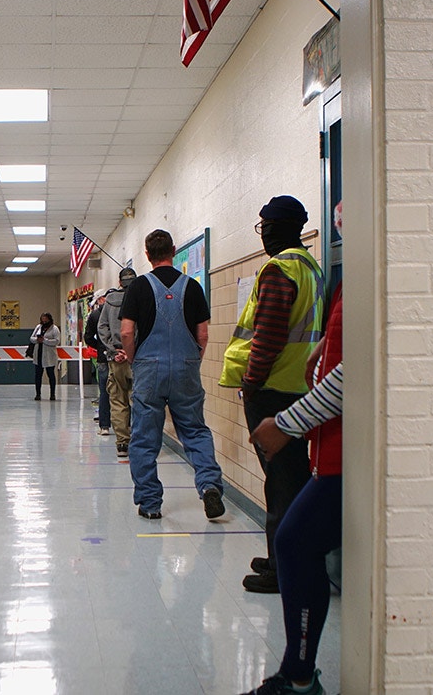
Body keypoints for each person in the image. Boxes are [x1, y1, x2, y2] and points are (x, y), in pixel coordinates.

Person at [243, 282, 344, 695]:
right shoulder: (346, 281)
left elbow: (360, 368)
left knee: (296, 540)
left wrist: (285, 423)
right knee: (296, 541)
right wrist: (324, 344)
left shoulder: (381, 257)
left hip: (346, 455)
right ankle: (298, 674)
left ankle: (299, 677)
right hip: (330, 449)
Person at [220, 195, 325, 594]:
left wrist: (252, 380)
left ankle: (284, 569)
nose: (263, 233)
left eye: (265, 225)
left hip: (273, 388)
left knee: (283, 481)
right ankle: (281, 554)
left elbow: (268, 335)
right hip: (297, 385)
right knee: (286, 478)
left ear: (280, 226)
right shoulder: (310, 267)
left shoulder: (280, 269)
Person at [117, 229, 225, 520]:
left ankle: (150, 503)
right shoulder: (192, 286)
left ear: (147, 254)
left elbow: (127, 331)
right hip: (185, 367)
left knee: (144, 438)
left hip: (148, 369)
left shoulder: (138, 287)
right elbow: (202, 334)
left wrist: (133, 358)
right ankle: (210, 486)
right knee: (195, 430)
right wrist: (193, 360)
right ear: (174, 250)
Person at [98, 267, 137, 456]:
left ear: (120, 282)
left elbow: (102, 327)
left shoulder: (109, 302)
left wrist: (114, 350)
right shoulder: (143, 300)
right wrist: (131, 351)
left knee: (118, 400)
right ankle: (139, 441)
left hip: (116, 360)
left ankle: (122, 443)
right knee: (139, 401)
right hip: (137, 359)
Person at [84, 294, 112, 436]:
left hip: (103, 357)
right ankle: (127, 425)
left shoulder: (95, 315)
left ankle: (105, 426)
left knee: (104, 391)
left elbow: (88, 337)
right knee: (125, 392)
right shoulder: (125, 310)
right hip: (124, 357)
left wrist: (100, 346)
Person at [29, 312, 61, 400]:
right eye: (42, 319)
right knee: (38, 375)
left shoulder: (54, 329)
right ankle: (38, 394)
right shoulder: (38, 327)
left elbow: (57, 341)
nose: (44, 321)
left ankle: (52, 394)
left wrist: (45, 340)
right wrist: (37, 340)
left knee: (51, 375)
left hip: (49, 355)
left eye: (45, 319)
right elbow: (31, 338)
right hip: (38, 354)